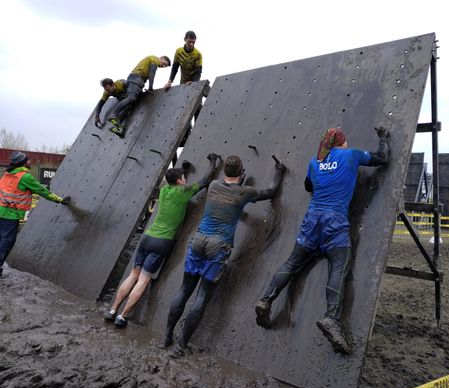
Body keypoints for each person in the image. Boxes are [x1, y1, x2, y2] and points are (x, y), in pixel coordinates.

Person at [255, 127, 391, 354]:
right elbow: (382, 159)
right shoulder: (352, 155)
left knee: (292, 263)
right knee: (339, 267)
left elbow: (309, 186)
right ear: (343, 142)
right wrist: (384, 139)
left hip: (312, 221)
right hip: (335, 222)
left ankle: (266, 300)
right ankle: (331, 318)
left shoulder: (315, 162)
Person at [162, 155, 285, 355]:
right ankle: (181, 345)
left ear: (225, 173)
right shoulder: (244, 192)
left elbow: (228, 190)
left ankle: (166, 336)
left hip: (199, 241)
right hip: (218, 247)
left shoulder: (213, 186)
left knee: (184, 290)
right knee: (201, 297)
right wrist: (279, 171)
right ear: (241, 171)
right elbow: (270, 192)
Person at [104, 153, 218, 328]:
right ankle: (123, 316)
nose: (185, 179)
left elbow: (173, 179)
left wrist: (183, 169)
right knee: (143, 280)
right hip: (162, 242)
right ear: (180, 181)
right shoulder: (184, 191)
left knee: (133, 275)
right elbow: (204, 181)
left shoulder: (165, 189)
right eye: (183, 177)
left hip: (147, 237)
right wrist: (212, 162)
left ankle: (112, 311)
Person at [0, 151, 70, 277]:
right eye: (28, 160)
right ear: (22, 162)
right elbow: (43, 192)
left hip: (2, 211)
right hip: (9, 215)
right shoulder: (25, 177)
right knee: (7, 241)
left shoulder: (7, 174)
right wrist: (60, 200)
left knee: (2, 240)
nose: (30, 161)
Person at [108, 55, 171, 137]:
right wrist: (150, 88)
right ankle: (114, 115)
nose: (163, 66)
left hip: (137, 80)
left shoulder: (151, 61)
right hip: (136, 78)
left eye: (165, 66)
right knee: (132, 98)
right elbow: (152, 74)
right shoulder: (155, 59)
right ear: (161, 58)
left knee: (130, 104)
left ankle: (117, 126)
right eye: (164, 64)